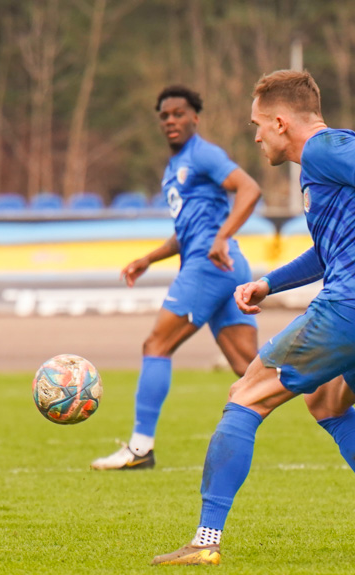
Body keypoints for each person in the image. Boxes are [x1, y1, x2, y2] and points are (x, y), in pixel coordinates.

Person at [151, 69, 355, 566]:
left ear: (282, 122)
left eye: (258, 124)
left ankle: (205, 542)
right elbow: (327, 253)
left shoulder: (326, 149)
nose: (256, 134)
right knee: (327, 404)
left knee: (244, 396)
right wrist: (268, 284)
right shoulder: (331, 169)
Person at [91, 85, 261, 470]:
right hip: (224, 265)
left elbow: (250, 189)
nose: (171, 121)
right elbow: (186, 230)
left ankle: (140, 449)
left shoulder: (203, 154)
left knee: (156, 345)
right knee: (248, 365)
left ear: (195, 118)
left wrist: (220, 237)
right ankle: (326, 383)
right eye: (165, 116)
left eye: (179, 114)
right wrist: (149, 258)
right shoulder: (174, 167)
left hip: (208, 265)